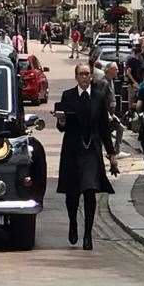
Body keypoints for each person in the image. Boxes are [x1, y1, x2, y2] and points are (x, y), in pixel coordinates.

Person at [55, 62, 118, 251]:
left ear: (91, 76)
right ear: (76, 77)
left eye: (87, 74)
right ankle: (73, 222)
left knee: (90, 189)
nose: (84, 77)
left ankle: (88, 234)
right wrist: (61, 121)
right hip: (72, 149)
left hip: (91, 149)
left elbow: (105, 129)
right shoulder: (68, 96)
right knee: (72, 193)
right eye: (81, 74)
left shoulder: (98, 97)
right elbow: (62, 127)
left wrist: (111, 155)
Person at [103, 62, 128, 157]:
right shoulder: (104, 82)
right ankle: (112, 152)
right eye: (116, 69)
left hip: (111, 114)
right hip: (105, 114)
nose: (118, 71)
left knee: (117, 129)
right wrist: (107, 114)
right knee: (107, 133)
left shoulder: (111, 80)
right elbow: (101, 100)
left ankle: (115, 151)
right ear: (110, 70)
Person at [124, 45, 144, 113]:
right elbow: (128, 72)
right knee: (131, 101)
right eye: (140, 54)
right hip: (133, 84)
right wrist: (134, 82)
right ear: (138, 53)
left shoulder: (140, 62)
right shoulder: (131, 61)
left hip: (139, 84)